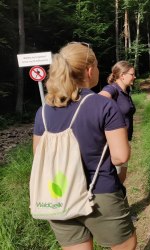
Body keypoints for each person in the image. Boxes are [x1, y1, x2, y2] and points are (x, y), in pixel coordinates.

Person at [33, 42, 137, 250]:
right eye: (97, 65)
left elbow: (38, 155)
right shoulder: (103, 105)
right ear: (89, 70)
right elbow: (120, 156)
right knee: (126, 245)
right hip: (98, 191)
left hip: (58, 195)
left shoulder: (43, 111)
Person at [99, 61, 136, 184]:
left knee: (121, 178)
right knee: (114, 179)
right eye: (132, 74)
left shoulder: (125, 92)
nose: (134, 77)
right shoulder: (112, 89)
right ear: (122, 75)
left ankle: (122, 201)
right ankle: (117, 202)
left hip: (124, 141)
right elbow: (98, 101)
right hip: (114, 144)